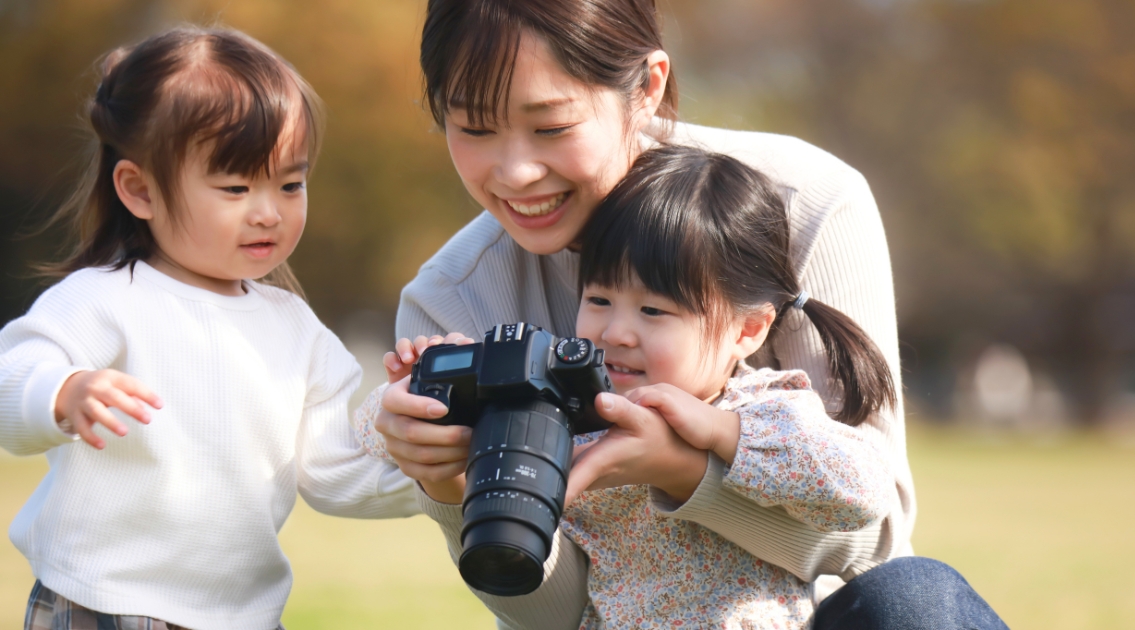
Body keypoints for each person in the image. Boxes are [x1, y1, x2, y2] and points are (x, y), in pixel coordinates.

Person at [367, 1, 1007, 628]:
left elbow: (875, 543)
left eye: (552, 126)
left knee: (918, 599)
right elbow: (555, 618)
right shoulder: (451, 300)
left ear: (647, 87)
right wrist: (451, 488)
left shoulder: (803, 204)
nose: (515, 172)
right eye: (474, 129)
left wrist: (684, 468)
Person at [0, 27, 417, 630]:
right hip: (101, 602)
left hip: (240, 615)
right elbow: (10, 382)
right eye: (235, 187)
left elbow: (334, 470)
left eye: (291, 184)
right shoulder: (106, 299)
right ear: (139, 190)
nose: (269, 211)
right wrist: (63, 393)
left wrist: (435, 476)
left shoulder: (297, 330)